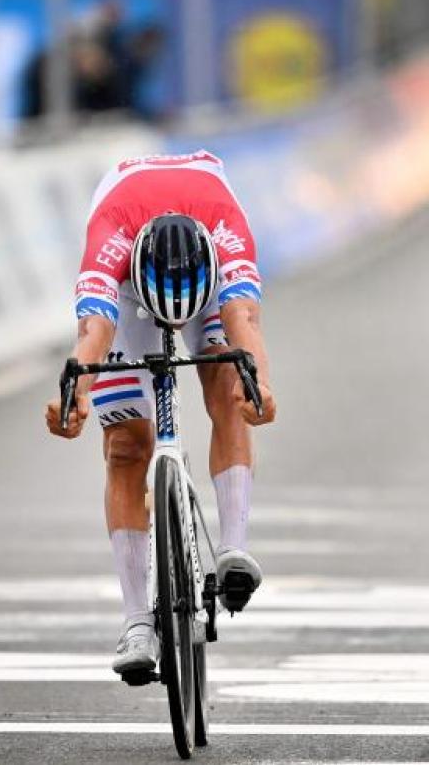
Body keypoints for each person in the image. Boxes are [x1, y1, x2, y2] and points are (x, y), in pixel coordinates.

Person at [44, 151, 277, 679]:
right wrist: (76, 389)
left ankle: (234, 548)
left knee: (231, 389)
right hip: (132, 291)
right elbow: (94, 332)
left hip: (205, 276)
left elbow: (244, 317)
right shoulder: (111, 235)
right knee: (125, 447)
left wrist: (259, 383)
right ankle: (136, 622)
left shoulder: (226, 228)